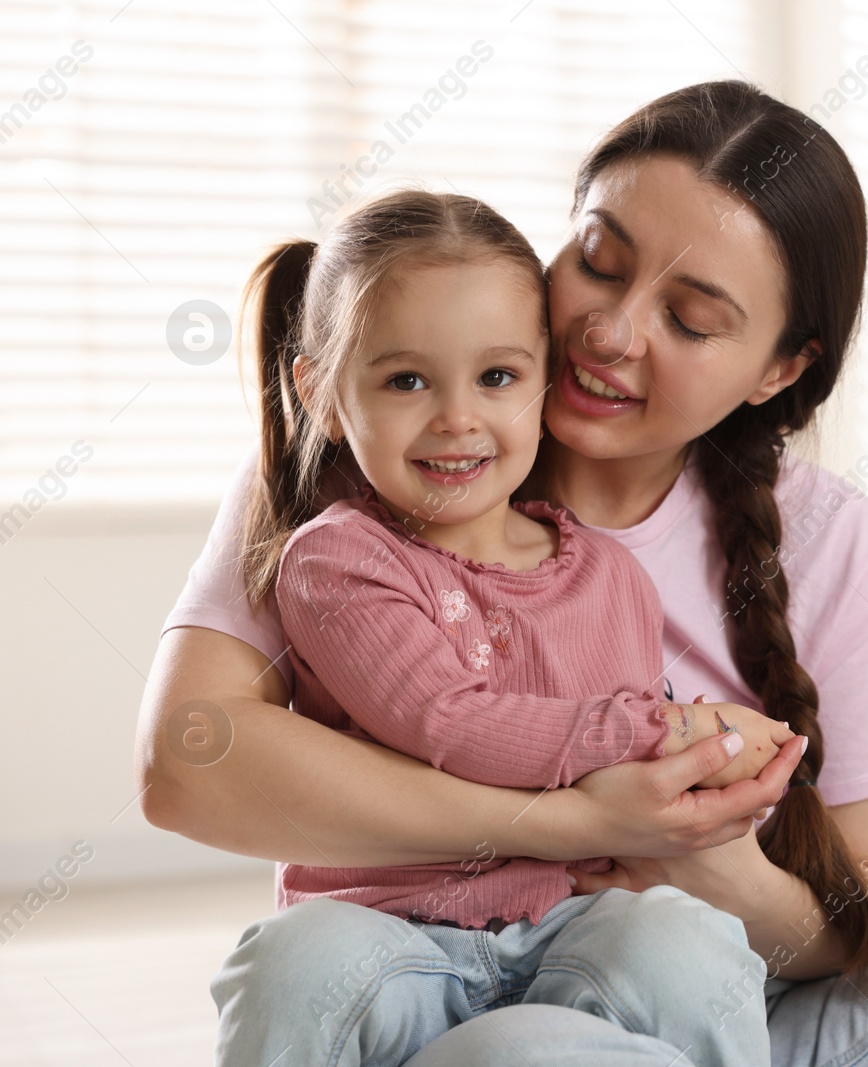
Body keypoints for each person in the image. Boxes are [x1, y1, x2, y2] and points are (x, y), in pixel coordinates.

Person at [139, 81, 868, 1066]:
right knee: (527, 1046)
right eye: (598, 261)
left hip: (753, 1018)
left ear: (776, 369)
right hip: (478, 1010)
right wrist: (566, 816)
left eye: (691, 319)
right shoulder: (382, 452)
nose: (611, 331)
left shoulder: (826, 537)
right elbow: (189, 766)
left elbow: (857, 937)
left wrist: (692, 849)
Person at [206, 188, 794, 1066]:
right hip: (387, 938)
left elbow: (634, 772)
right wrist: (675, 730)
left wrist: (724, 766)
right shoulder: (338, 560)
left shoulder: (611, 575)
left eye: (497, 377)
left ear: (544, 381)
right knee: (291, 965)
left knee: (690, 945)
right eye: (406, 380)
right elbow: (449, 720)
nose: (457, 417)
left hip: (570, 923)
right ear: (322, 396)